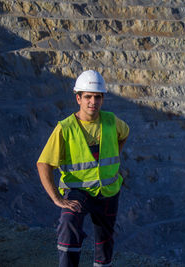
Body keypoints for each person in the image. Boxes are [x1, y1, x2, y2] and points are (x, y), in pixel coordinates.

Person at [36, 70, 129, 267]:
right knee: (69, 223)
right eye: (88, 96)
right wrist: (57, 199)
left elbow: (124, 134)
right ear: (78, 98)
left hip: (108, 191)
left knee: (105, 239)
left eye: (97, 97)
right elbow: (43, 163)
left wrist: (114, 158)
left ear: (102, 99)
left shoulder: (111, 121)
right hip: (78, 192)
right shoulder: (65, 128)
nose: (92, 102)